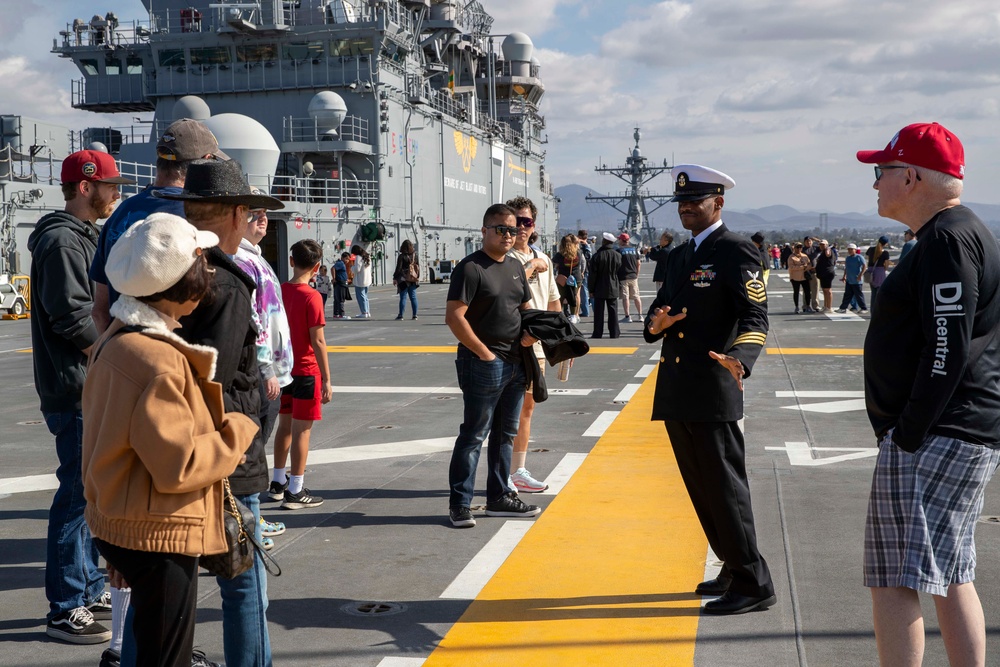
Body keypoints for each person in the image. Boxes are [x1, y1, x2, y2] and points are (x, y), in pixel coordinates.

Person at [83, 213, 257, 667]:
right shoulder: (157, 361)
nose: (211, 273)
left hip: (128, 518)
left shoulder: (115, 341)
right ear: (182, 282)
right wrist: (238, 431)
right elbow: (179, 465)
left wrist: (119, 536)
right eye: (203, 263)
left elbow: (106, 439)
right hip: (161, 532)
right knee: (166, 656)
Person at [856, 122, 1000, 666]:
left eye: (881, 172)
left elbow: (948, 344)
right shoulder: (962, 232)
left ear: (910, 176)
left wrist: (908, 431)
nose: (875, 184)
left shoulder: (944, 239)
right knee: (950, 573)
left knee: (895, 578)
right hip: (959, 428)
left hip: (936, 434)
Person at [156, 158, 284, 667]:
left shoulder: (168, 272)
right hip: (225, 462)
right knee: (244, 581)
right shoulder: (227, 284)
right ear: (236, 215)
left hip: (171, 451)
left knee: (165, 589)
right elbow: (213, 383)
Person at [643, 164, 774, 615]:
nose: (685, 209)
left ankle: (754, 582)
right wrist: (654, 325)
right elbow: (661, 310)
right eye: (680, 203)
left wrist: (741, 359)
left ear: (718, 203)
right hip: (678, 386)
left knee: (724, 486)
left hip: (714, 385)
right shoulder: (681, 255)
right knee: (700, 487)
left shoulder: (737, 251)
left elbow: (756, 317)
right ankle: (733, 566)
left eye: (694, 202)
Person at [29, 150, 133, 644]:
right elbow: (71, 317)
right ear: (86, 186)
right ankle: (65, 604)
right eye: (110, 184)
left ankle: (88, 586)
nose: (117, 192)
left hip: (86, 384)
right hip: (76, 388)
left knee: (89, 494)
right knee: (75, 496)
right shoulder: (62, 242)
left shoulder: (83, 237)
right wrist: (112, 360)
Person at [444, 203, 541, 528]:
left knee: (504, 435)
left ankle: (499, 497)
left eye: (513, 230)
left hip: (516, 363)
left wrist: (529, 335)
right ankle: (460, 504)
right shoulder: (471, 268)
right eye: (501, 229)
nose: (508, 235)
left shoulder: (515, 265)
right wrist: (484, 353)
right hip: (483, 364)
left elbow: (525, 308)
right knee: (473, 434)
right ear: (484, 231)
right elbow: (454, 316)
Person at [91, 118, 229, 332]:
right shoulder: (198, 217)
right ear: (207, 160)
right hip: (172, 357)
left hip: (120, 349)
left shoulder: (121, 213)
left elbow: (100, 311)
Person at [233, 201, 293, 549]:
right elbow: (254, 321)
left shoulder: (254, 255)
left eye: (264, 215)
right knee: (249, 452)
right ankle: (246, 525)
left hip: (271, 370)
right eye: (254, 215)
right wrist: (268, 368)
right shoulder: (242, 260)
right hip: (261, 372)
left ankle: (253, 517)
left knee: (256, 450)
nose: (263, 219)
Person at [270, 239, 332, 510]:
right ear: (317, 266)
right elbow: (317, 340)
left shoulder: (280, 290)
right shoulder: (312, 297)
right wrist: (327, 379)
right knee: (302, 432)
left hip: (283, 370)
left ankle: (277, 482)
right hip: (306, 371)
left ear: (291, 261)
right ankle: (295, 489)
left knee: (284, 426)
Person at [506, 196, 561, 493]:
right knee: (506, 412)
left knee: (527, 409)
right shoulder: (503, 258)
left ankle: (518, 471)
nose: (520, 228)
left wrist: (562, 341)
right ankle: (502, 473)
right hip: (510, 348)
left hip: (536, 348)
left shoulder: (545, 258)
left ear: (534, 225)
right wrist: (531, 266)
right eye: (515, 222)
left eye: (526, 222)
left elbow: (554, 303)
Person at [588, 232, 622, 339]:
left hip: (599, 286)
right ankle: (614, 332)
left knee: (599, 312)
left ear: (604, 242)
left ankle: (597, 333)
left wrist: (591, 289)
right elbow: (620, 272)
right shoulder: (618, 255)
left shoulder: (597, 256)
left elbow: (592, 275)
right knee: (613, 311)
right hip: (613, 286)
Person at [553, 234, 582, 323]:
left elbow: (553, 263)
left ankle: (559, 315)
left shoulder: (560, 255)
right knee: (575, 296)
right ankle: (574, 315)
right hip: (576, 277)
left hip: (562, 278)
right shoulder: (578, 253)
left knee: (560, 297)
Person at [835, 244, 868, 313]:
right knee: (847, 295)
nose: (850, 251)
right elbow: (846, 268)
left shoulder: (859, 257)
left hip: (857, 281)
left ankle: (863, 308)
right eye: (849, 249)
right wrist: (844, 276)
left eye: (851, 249)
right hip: (849, 280)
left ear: (855, 250)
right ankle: (843, 308)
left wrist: (860, 275)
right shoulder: (848, 258)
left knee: (858, 295)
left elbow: (864, 266)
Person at [617, 232, 642, 322]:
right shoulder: (634, 250)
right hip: (633, 276)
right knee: (636, 296)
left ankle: (627, 316)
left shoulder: (619, 251)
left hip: (623, 277)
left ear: (621, 240)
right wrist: (636, 274)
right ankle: (640, 315)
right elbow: (638, 263)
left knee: (625, 297)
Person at [393, 239, 419, 320]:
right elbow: (417, 267)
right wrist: (416, 277)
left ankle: (401, 315)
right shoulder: (415, 256)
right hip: (412, 279)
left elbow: (399, 268)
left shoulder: (402, 256)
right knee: (413, 297)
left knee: (403, 297)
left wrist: (395, 277)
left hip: (403, 279)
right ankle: (415, 315)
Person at [786, 243, 813, 314]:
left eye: (800, 247)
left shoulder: (805, 256)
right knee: (796, 292)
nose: (799, 249)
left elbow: (809, 264)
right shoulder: (791, 257)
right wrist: (801, 267)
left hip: (804, 277)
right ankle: (796, 306)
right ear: (794, 248)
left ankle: (807, 305)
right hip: (795, 277)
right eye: (797, 247)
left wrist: (806, 267)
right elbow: (791, 267)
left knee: (807, 292)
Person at [866, 235, 891, 309]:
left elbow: (868, 259)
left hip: (871, 271)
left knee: (873, 293)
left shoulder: (870, 249)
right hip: (880, 272)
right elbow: (886, 265)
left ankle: (872, 310)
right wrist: (884, 269)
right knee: (879, 293)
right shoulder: (885, 253)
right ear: (885, 243)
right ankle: (878, 310)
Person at [814, 239, 838, 312]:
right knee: (824, 290)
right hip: (822, 274)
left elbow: (828, 254)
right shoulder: (822, 252)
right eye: (821, 244)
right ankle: (825, 306)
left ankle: (829, 307)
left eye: (823, 245)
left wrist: (827, 249)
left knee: (828, 290)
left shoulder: (828, 250)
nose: (821, 246)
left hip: (827, 273)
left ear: (827, 245)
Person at [351, 245, 373, 318]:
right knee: (365, 296)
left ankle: (364, 312)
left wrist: (352, 267)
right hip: (367, 279)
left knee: (360, 296)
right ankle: (367, 311)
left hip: (360, 280)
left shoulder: (358, 257)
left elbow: (357, 269)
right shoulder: (368, 256)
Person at [576, 228, 593, 317]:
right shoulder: (590, 245)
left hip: (584, 270)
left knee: (583, 291)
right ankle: (587, 309)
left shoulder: (584, 246)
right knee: (587, 290)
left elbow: (585, 259)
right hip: (589, 270)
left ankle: (585, 311)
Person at [802, 236, 821, 311]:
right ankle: (806, 305)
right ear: (804, 242)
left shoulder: (816, 248)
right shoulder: (802, 250)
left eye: (810, 241)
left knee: (815, 289)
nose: (808, 242)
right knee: (806, 290)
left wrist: (817, 239)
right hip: (805, 272)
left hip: (814, 272)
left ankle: (815, 306)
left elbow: (826, 246)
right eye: (807, 241)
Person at [331, 253, 350, 320]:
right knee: (341, 299)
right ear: (343, 257)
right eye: (346, 259)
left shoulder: (341, 264)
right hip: (340, 284)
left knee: (337, 299)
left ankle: (336, 314)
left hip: (339, 283)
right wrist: (334, 278)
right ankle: (341, 314)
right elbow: (333, 268)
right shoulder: (341, 263)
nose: (347, 261)